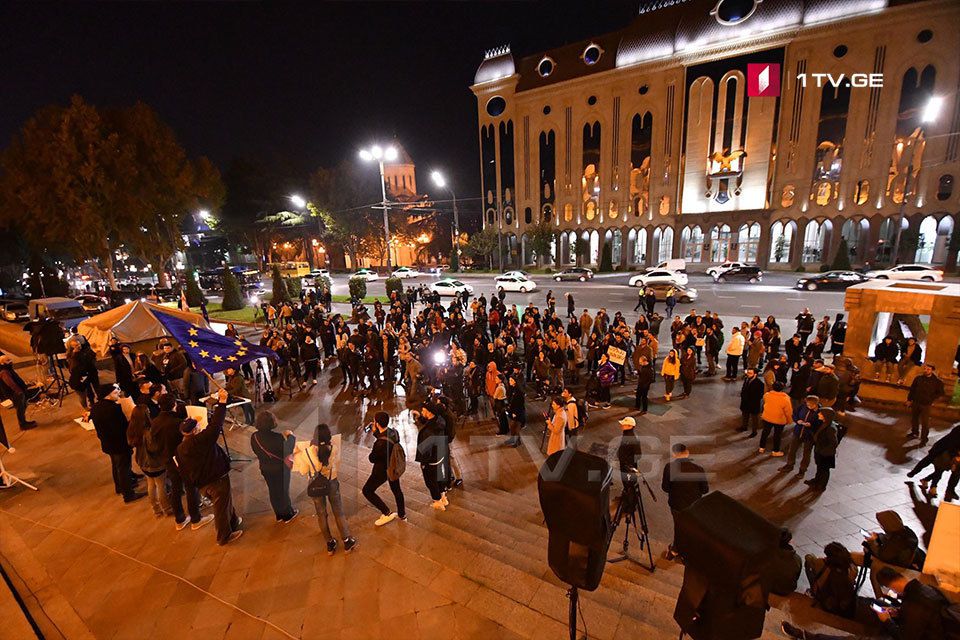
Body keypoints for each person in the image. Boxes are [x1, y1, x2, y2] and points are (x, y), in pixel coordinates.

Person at [782, 565, 958, 640]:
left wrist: (887, 620)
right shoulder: (927, 590)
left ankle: (806, 636)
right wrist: (898, 612)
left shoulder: (915, 606)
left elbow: (905, 638)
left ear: (891, 586)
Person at [176, 389, 243, 545]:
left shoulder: (181, 448)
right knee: (220, 508)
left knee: (225, 502)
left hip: (202, 483)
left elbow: (182, 469)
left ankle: (233, 522)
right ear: (195, 430)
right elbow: (216, 425)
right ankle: (224, 537)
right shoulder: (201, 441)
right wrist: (222, 402)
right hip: (215, 480)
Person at [305, 424, 356, 554]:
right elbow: (335, 464)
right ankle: (347, 541)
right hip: (331, 482)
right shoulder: (334, 448)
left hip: (315, 485)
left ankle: (329, 543)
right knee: (338, 511)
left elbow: (304, 470)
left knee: (321, 514)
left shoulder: (308, 451)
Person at [90, 384, 145, 503]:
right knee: (123, 467)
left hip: (107, 443)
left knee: (116, 465)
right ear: (107, 395)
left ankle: (120, 487)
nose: (118, 395)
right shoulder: (113, 409)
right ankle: (128, 494)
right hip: (119, 443)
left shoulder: (95, 407)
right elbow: (121, 427)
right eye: (115, 393)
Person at [661, 443, 708, 560]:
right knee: (690, 528)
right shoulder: (699, 469)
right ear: (687, 452)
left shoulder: (669, 468)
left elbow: (665, 488)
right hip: (694, 507)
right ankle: (686, 550)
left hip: (676, 505)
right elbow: (705, 490)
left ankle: (675, 551)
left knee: (679, 527)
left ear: (674, 454)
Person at [250, 411, 297, 523]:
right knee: (283, 491)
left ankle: (279, 515)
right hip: (280, 469)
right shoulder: (278, 437)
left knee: (273, 490)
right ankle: (288, 515)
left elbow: (256, 451)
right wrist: (290, 435)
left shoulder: (254, 436)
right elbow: (288, 450)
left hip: (265, 468)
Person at [362, 411, 406, 526]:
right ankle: (402, 515)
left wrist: (376, 437)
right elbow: (386, 439)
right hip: (393, 467)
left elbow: (372, 458)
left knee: (367, 490)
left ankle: (386, 513)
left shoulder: (379, 444)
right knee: (397, 490)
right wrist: (376, 433)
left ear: (377, 423)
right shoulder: (394, 432)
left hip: (381, 471)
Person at [127, 404, 169, 516]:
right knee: (161, 485)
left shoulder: (132, 429)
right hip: (154, 463)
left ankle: (156, 509)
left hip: (142, 461)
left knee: (151, 484)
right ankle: (166, 508)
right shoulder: (148, 432)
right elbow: (154, 448)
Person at [802, 542, 857, 618]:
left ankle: (812, 591)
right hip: (844, 606)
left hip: (827, 601)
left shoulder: (823, 565)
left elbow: (808, 557)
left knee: (809, 563)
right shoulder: (852, 569)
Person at [415, 404, 450, 511]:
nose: (422, 412)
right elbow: (429, 423)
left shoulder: (428, 432)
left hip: (431, 461)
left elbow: (425, 451)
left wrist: (423, 463)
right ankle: (443, 497)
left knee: (431, 481)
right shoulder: (439, 421)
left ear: (429, 412)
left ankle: (437, 501)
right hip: (440, 455)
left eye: (423, 410)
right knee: (440, 478)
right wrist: (420, 417)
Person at [782, 395, 821, 475]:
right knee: (792, 450)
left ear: (816, 404)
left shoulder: (820, 412)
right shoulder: (802, 406)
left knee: (806, 453)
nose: (808, 406)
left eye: (811, 405)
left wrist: (811, 425)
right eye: (807, 404)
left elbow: (820, 423)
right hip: (798, 432)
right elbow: (794, 414)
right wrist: (797, 420)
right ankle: (789, 465)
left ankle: (802, 470)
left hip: (809, 435)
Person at [906, 363, 944, 445]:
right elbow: (912, 389)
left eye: (928, 369)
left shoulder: (937, 382)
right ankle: (915, 432)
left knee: (925, 422)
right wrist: (909, 400)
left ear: (932, 370)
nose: (926, 370)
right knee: (914, 419)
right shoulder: (918, 378)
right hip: (916, 402)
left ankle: (924, 438)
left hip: (926, 404)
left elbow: (940, 393)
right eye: (925, 369)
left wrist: (931, 398)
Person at [0, 355, 36, 430]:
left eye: (10, 359)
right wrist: (19, 391)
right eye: (8, 360)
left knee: (23, 406)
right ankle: (23, 424)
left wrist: (25, 385)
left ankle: (24, 422)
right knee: (20, 408)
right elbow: (10, 383)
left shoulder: (9, 370)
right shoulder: (4, 372)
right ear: (2, 363)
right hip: (15, 393)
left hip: (18, 392)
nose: (10, 362)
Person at [806, 407, 839, 491]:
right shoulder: (824, 423)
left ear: (826, 416)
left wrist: (824, 451)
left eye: (821, 413)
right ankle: (817, 480)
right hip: (820, 450)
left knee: (824, 470)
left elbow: (833, 443)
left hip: (826, 453)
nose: (818, 414)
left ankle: (822, 485)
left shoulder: (831, 428)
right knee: (819, 467)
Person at [759, 381, 793, 456]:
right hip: (779, 420)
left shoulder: (767, 395)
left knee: (765, 432)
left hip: (767, 417)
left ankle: (761, 447)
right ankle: (775, 451)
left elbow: (764, 404)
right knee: (777, 435)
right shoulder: (785, 398)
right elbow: (788, 411)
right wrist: (789, 420)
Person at [767, 528, 802, 596]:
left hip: (768, 587)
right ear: (789, 541)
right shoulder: (797, 559)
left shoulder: (768, 554)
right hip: (786, 590)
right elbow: (797, 577)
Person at [739, 368, 764, 436]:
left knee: (754, 419)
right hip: (745, 402)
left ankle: (754, 432)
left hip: (753, 404)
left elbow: (761, 394)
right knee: (745, 415)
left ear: (755, 374)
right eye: (747, 373)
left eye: (750, 373)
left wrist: (754, 399)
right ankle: (744, 427)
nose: (748, 374)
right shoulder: (746, 379)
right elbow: (744, 388)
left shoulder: (759, 383)